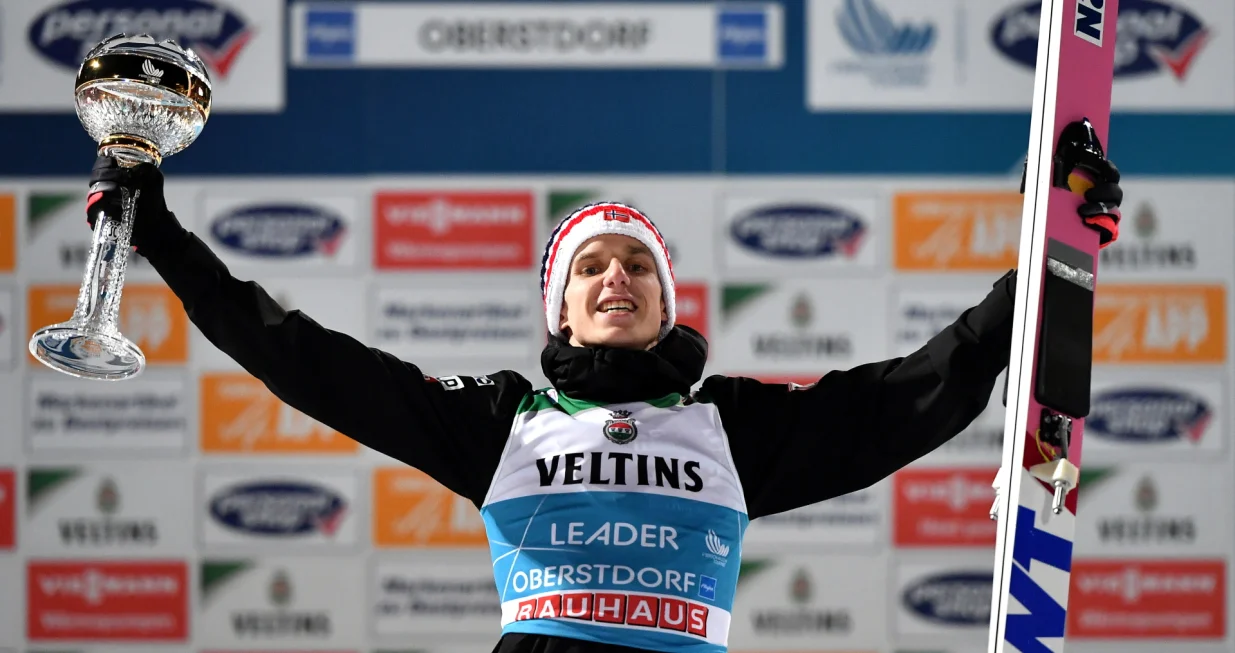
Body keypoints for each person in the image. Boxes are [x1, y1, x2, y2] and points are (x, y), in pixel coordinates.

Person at [86, 154, 1122, 653]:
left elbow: (913, 390)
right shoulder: (501, 421)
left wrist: (1048, 257)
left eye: (637, 265)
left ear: (668, 299)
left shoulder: (732, 426)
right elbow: (302, 360)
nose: (615, 278)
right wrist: (163, 239)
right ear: (563, 307)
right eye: (591, 267)